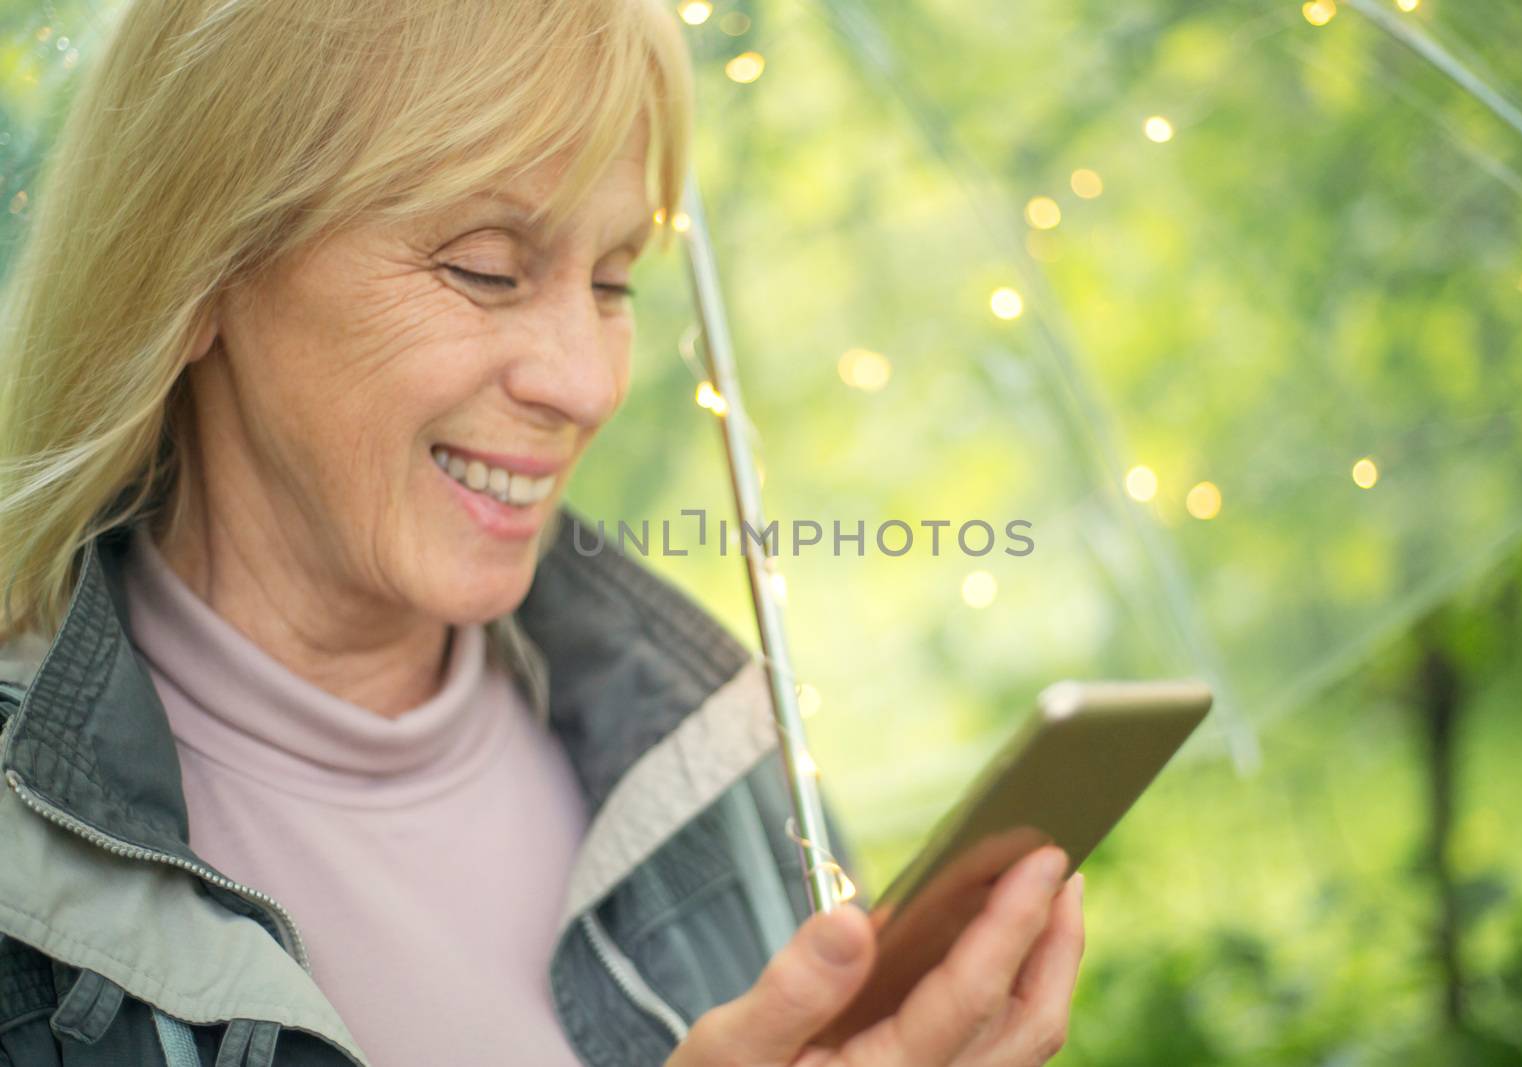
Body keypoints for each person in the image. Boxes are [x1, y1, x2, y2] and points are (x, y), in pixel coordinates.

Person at [0, 1, 1086, 1064]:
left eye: (614, 281)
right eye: (484, 268)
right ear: (200, 268)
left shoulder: (712, 752)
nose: (583, 381)